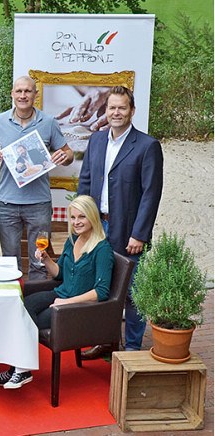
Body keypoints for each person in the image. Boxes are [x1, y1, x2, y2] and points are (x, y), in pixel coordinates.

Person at [0, 195, 114, 389]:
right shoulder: (72, 240)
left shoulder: (102, 249)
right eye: (73, 217)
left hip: (77, 307)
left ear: (92, 217)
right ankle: (19, 370)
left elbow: (101, 292)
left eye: (82, 217)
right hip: (60, 293)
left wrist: (67, 302)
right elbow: (60, 273)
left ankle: (19, 370)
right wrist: (46, 259)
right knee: (22, 305)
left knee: (25, 319)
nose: (76, 222)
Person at [77, 86, 163, 358]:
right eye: (112, 107)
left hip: (128, 231)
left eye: (122, 108)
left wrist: (140, 234)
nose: (116, 112)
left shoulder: (147, 146)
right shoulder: (96, 141)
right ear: (105, 110)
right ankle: (105, 340)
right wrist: (82, 222)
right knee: (101, 287)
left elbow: (151, 194)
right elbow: (85, 181)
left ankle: (133, 348)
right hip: (97, 228)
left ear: (132, 111)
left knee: (132, 292)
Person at [0, 76, 74, 279]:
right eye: (19, 91)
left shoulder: (48, 122)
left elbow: (69, 154)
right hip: (7, 202)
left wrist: (64, 156)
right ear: (12, 94)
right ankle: (14, 297)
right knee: (9, 262)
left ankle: (35, 299)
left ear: (35, 95)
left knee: (39, 261)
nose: (23, 95)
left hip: (39, 203)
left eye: (28, 91)